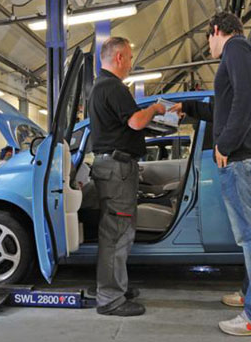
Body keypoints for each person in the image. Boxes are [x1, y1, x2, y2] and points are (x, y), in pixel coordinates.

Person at [171, 12, 251, 336]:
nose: (209, 45)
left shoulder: (236, 49)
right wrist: (188, 108)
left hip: (241, 157)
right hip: (245, 156)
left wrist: (225, 144)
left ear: (216, 30)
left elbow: (247, 100)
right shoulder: (243, 54)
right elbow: (226, 107)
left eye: (208, 37)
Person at [85, 36, 167, 317]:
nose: (131, 64)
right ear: (119, 57)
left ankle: (113, 286)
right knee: (117, 233)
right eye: (130, 58)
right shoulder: (114, 86)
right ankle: (110, 298)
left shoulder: (100, 87)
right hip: (117, 169)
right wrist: (155, 109)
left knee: (115, 231)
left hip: (111, 168)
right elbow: (135, 122)